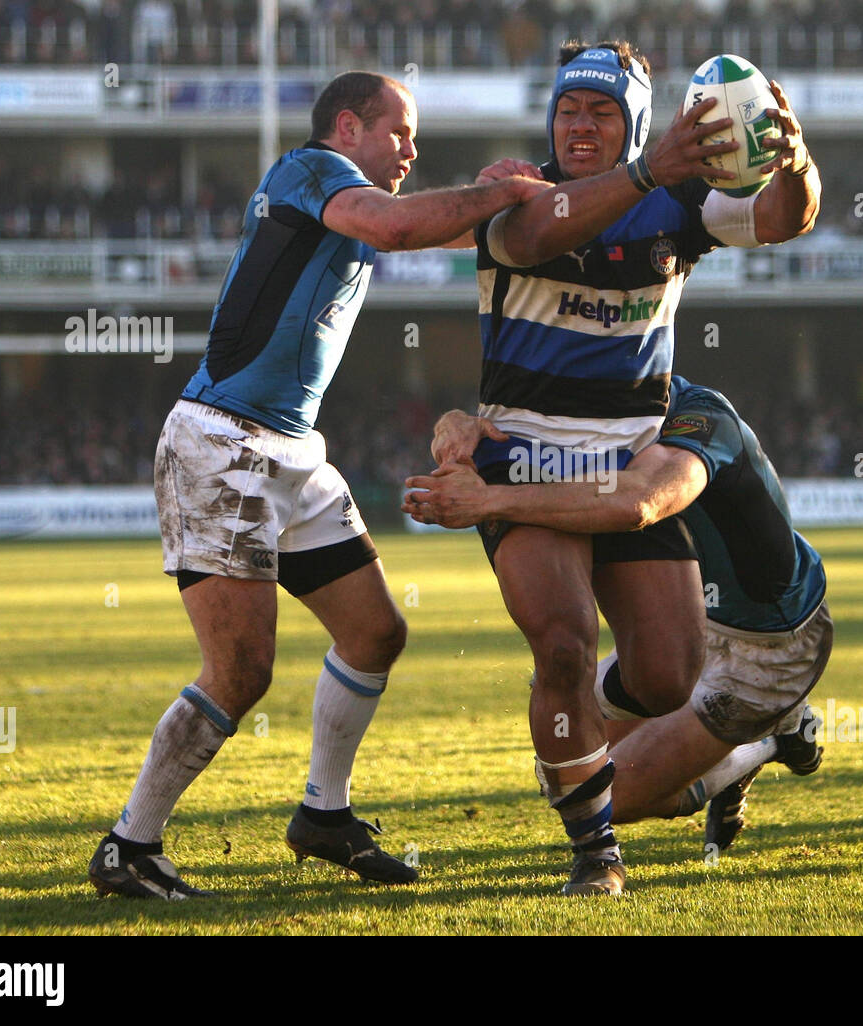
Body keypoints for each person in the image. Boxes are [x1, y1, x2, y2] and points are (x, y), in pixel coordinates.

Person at [88, 71, 549, 899]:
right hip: (221, 442)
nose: (411, 149)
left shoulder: (356, 202)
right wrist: (497, 191)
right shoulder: (307, 170)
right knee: (241, 671)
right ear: (346, 126)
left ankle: (322, 817)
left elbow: (435, 230)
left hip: (292, 452)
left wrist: (504, 200)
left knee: (375, 633)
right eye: (398, 132)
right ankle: (130, 843)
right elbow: (398, 225)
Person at [450, 39, 820, 895]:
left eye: (604, 112)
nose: (581, 126)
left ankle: (579, 724)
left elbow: (781, 220)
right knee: (566, 641)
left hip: (623, 461)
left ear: (637, 121)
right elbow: (540, 232)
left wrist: (794, 164)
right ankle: (595, 854)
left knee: (668, 674)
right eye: (570, 111)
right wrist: (649, 172)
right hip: (525, 466)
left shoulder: (677, 206)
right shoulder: (516, 189)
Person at [405, 375, 831, 857]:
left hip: (768, 644)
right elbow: (521, 436)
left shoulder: (700, 419)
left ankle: (771, 736)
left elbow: (640, 500)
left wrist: (489, 500)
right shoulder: (601, 417)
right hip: (692, 619)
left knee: (613, 798)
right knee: (563, 771)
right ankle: (750, 733)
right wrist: (458, 423)